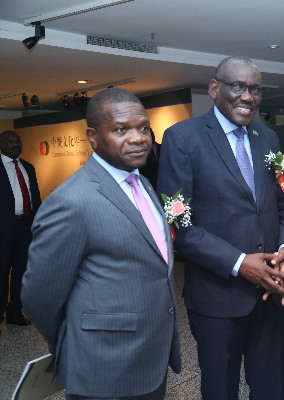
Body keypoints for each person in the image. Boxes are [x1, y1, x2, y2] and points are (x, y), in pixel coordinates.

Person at [21, 88, 181, 399]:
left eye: (143, 128)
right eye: (121, 130)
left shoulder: (142, 183)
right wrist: (74, 345)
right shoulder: (71, 201)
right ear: (93, 137)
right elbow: (39, 295)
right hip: (105, 366)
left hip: (152, 358)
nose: (138, 138)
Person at [157, 56, 284, 400]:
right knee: (220, 389)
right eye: (237, 86)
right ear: (214, 88)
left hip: (270, 295)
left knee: (270, 386)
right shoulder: (183, 138)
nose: (247, 97)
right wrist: (239, 262)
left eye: (255, 90)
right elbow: (178, 225)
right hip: (217, 298)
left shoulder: (267, 138)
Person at [0, 130, 41, 330]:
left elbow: (35, 198)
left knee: (21, 273)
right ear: (1, 144)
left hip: (25, 228)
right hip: (3, 230)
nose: (15, 144)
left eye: (17, 141)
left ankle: (14, 312)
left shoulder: (28, 167)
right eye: (9, 141)